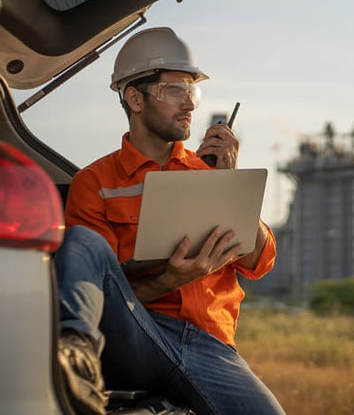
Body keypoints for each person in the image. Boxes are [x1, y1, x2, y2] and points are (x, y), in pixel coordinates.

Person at [54, 27, 284, 415]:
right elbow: (104, 295)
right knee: (83, 243)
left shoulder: (208, 173)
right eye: (176, 90)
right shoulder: (95, 183)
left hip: (211, 345)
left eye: (192, 91)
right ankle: (73, 359)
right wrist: (168, 281)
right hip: (137, 334)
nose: (190, 104)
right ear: (135, 98)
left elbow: (260, 262)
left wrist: (229, 185)